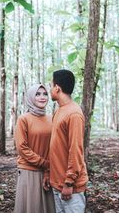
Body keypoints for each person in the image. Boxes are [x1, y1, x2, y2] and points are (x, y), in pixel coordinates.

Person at [49, 69, 88, 213]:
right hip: (57, 183)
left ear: (57, 88)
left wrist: (69, 182)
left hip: (71, 187)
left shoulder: (74, 113)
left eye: (51, 85)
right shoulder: (59, 111)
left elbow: (76, 149)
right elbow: (56, 147)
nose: (50, 89)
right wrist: (49, 174)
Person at [14, 84, 55, 213]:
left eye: (45, 94)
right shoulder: (23, 119)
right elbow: (22, 148)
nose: (42, 97)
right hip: (29, 171)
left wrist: (48, 169)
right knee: (32, 207)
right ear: (31, 97)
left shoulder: (51, 118)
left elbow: (53, 145)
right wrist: (43, 163)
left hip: (48, 171)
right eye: (38, 94)